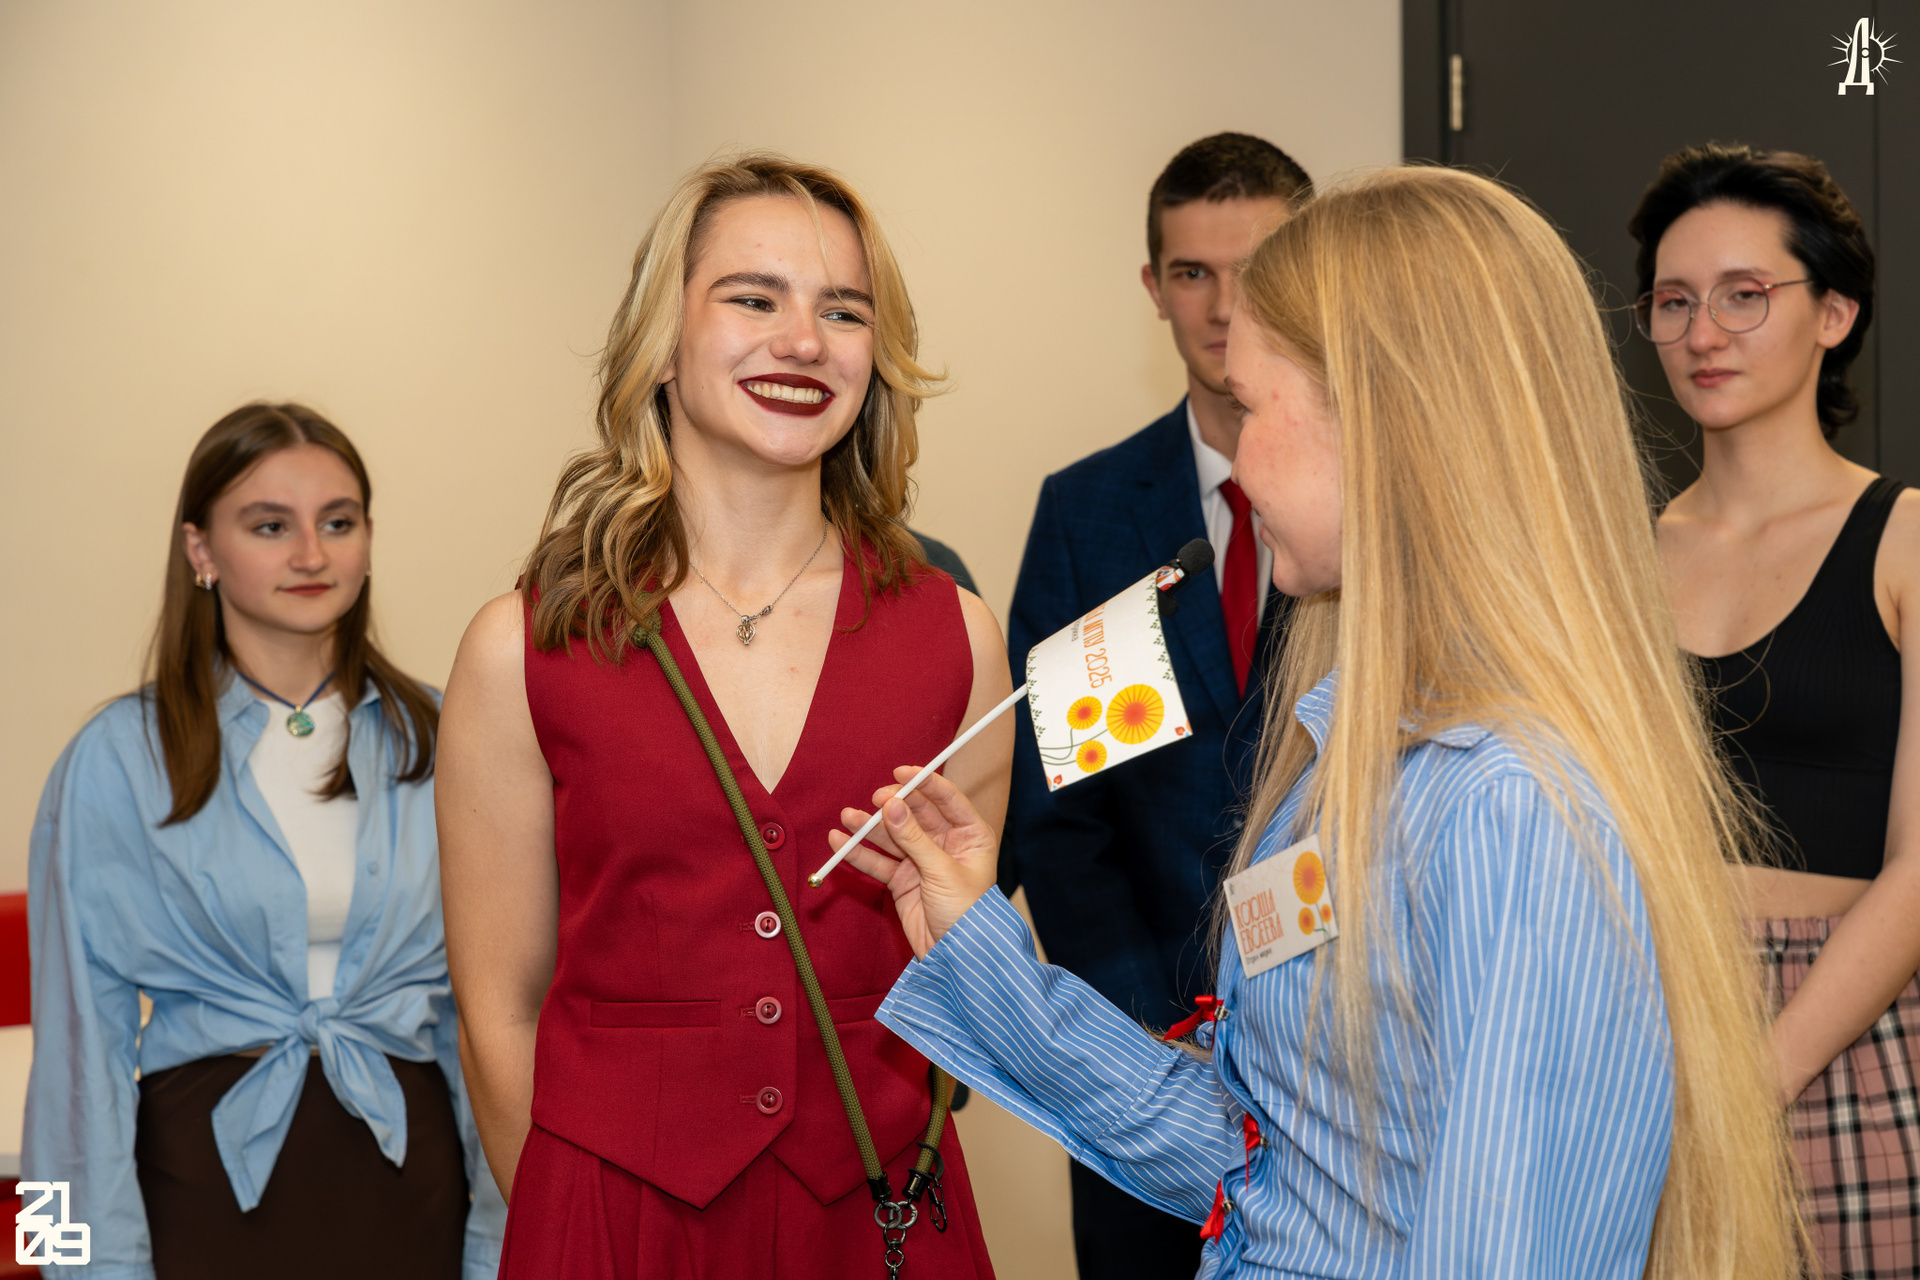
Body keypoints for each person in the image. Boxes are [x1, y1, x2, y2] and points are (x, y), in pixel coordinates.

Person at [835, 166, 1805, 1279]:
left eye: (1252, 408)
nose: (1234, 459)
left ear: (1387, 423)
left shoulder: (1509, 806)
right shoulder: (1351, 758)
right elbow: (1269, 1163)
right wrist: (976, 941)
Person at [437, 154, 1010, 1279]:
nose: (803, 341)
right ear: (663, 340)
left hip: (881, 1220)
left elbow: (967, 977)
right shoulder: (520, 648)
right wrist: (570, 1225)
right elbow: (498, 1010)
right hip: (615, 1227)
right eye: (754, 297)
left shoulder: (961, 639)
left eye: (843, 311)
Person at [24, 403, 506, 1279]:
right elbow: (71, 1065)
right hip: (196, 1189)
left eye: (339, 522)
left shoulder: (449, 737)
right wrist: (70, 1266)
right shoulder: (115, 760)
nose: (312, 554)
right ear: (200, 549)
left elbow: (491, 1025)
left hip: (413, 1183)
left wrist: (504, 1247)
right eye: (270, 526)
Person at [1001, 131, 1311, 1277]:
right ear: (1153, 286)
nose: (1224, 307)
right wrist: (1151, 1037)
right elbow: (1061, 814)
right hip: (1139, 1065)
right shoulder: (1093, 511)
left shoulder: (1376, 496)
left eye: (1258, 268)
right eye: (1193, 273)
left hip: (1338, 1062)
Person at [1631, 143, 1920, 1278]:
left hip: (1846, 1031)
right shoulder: (1618, 553)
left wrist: (1751, 1080)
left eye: (1745, 295)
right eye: (1674, 302)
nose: (1704, 333)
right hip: (1641, 1016)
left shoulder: (1904, 537)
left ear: (1834, 313)